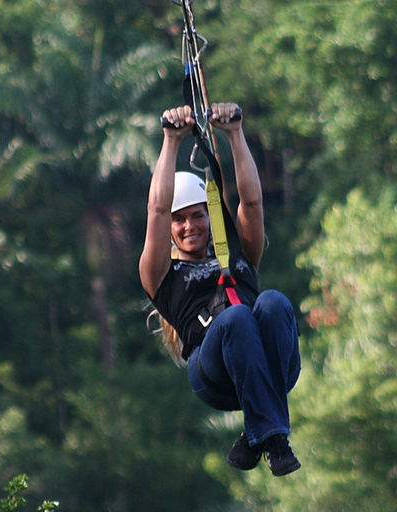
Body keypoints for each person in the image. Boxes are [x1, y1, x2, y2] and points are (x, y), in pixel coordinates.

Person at [138, 103, 302, 477]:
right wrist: (171, 139)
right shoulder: (161, 273)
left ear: (209, 218)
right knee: (238, 316)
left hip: (273, 365)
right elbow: (157, 208)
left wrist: (235, 134)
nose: (188, 225)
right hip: (215, 373)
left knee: (272, 301)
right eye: (180, 220)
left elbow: (253, 202)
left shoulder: (240, 251)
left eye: (197, 214)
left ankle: (257, 436)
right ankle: (273, 437)